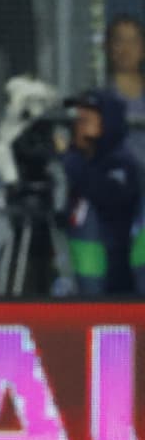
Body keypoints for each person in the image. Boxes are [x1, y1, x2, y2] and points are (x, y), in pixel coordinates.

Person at [61, 89, 145, 295]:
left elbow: (106, 194)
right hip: (80, 279)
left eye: (87, 118)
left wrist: (69, 159)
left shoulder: (122, 163)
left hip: (117, 283)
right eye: (78, 118)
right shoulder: (79, 161)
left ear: (107, 121)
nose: (79, 124)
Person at [104, 15, 145, 164]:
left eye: (133, 41)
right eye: (119, 41)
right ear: (108, 47)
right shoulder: (99, 99)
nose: (126, 49)